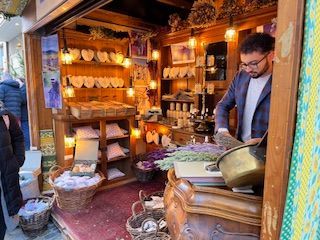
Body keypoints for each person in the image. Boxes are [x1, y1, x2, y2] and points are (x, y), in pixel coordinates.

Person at [215, 32, 275, 143]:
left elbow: (288, 122)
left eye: (253, 63)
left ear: (271, 55)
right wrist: (222, 130)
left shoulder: (282, 81)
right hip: (241, 147)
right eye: (245, 64)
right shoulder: (241, 76)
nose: (248, 69)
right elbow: (223, 105)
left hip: (268, 152)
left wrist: (264, 141)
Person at [0, 101, 25, 239]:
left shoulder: (5, 115)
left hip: (6, 175)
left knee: (4, 218)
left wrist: (18, 160)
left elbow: (18, 137)